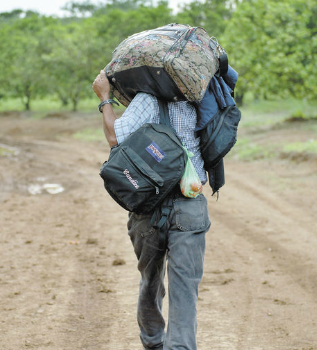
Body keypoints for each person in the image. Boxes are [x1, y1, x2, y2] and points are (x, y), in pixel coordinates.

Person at [93, 69, 211, 350]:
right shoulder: (202, 99)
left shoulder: (147, 99)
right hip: (190, 204)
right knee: (185, 288)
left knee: (150, 280)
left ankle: (153, 343)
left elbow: (114, 138)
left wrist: (104, 98)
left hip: (148, 207)